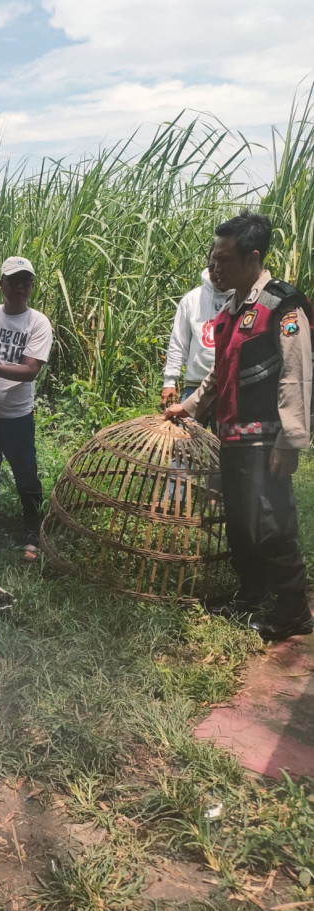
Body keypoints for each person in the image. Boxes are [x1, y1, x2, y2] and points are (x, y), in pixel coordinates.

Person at [164, 210, 313, 641]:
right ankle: (251, 595)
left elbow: (296, 374)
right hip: (232, 438)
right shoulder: (233, 309)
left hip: (267, 440)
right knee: (241, 522)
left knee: (271, 522)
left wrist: (291, 438)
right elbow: (218, 375)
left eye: (223, 259)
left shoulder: (281, 306)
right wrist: (189, 408)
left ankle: (292, 610)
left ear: (252, 259)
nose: (214, 266)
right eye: (212, 257)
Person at [0, 257, 53, 561]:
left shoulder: (37, 322)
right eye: (13, 280)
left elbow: (30, 370)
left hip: (16, 419)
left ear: (31, 286)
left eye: (25, 281)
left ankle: (33, 531)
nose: (19, 287)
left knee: (26, 477)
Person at [160, 256, 234, 417]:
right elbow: (178, 343)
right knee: (185, 440)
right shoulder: (191, 300)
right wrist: (170, 382)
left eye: (222, 265)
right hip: (194, 386)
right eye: (211, 266)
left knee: (225, 441)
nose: (216, 272)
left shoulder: (241, 299)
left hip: (228, 387)